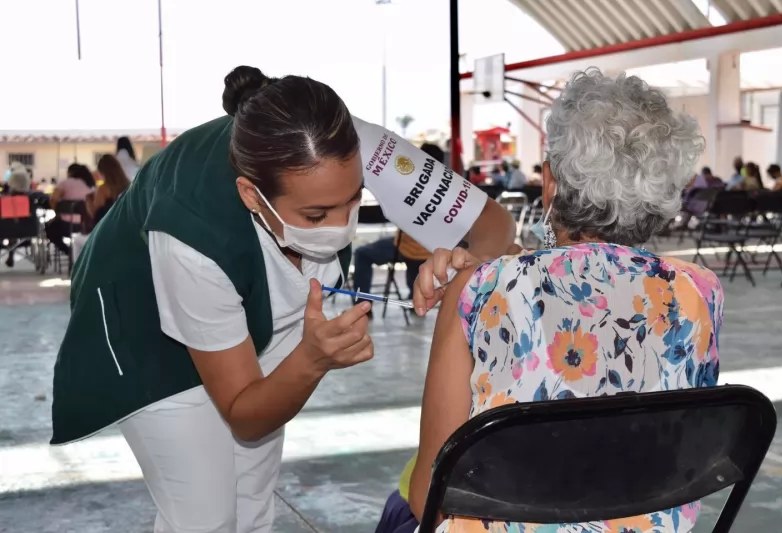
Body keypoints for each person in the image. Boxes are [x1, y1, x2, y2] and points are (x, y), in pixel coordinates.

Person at [50, 65, 515, 533]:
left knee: (252, 497)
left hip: (256, 308)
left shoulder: (349, 141)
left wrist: (464, 267)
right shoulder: (192, 235)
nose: (342, 226)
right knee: (204, 516)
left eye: (354, 200)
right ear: (252, 196)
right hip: (145, 337)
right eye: (316, 215)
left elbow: (492, 224)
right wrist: (311, 361)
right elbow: (245, 414)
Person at [378, 68, 720, 533]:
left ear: (551, 183)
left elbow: (430, 499)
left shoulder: (481, 288)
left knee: (397, 512)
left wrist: (485, 273)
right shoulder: (699, 292)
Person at [352, 143, 445, 305]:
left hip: (408, 250)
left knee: (362, 254)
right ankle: (414, 295)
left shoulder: (412, 183)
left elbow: (386, 213)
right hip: (434, 251)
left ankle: (363, 304)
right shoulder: (446, 188)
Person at [45, 163, 95, 257]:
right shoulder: (89, 185)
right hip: (85, 225)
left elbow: (53, 199)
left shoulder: (65, 183)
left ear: (70, 172)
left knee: (49, 229)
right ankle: (81, 253)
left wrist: (57, 213)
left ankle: (68, 252)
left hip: (66, 225)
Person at [86, 154, 130, 224]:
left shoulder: (104, 188)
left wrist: (88, 200)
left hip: (108, 226)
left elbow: (95, 213)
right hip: (126, 224)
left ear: (103, 172)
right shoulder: (128, 185)